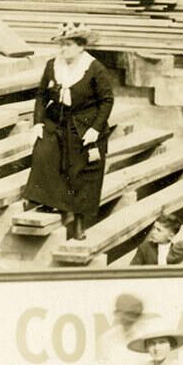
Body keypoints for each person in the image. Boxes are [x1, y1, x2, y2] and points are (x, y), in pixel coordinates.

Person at [22, 28, 113, 241]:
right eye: (62, 44)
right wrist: (38, 123)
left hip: (85, 123)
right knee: (45, 152)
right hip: (57, 120)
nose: (64, 49)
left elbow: (107, 100)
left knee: (82, 168)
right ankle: (48, 202)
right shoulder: (52, 65)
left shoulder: (94, 68)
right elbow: (42, 96)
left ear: (81, 47)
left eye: (69, 44)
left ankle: (79, 221)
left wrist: (95, 129)